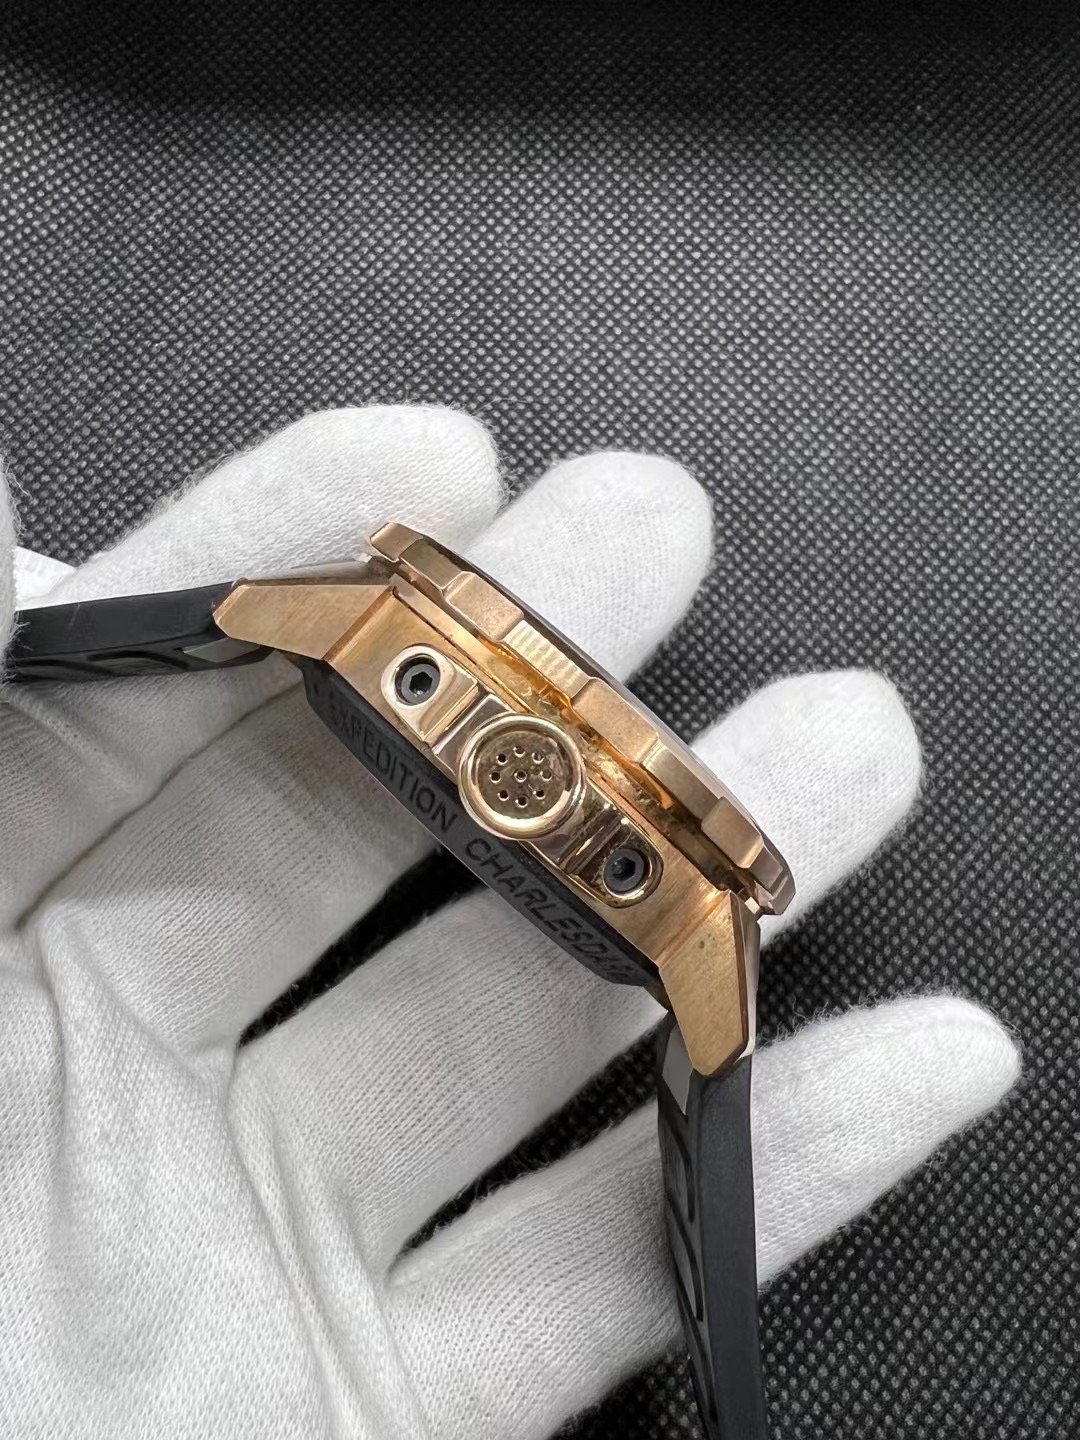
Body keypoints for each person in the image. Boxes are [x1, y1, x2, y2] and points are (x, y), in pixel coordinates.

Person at [0, 406, 1018, 1437]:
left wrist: (40, 652)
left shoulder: (360, 624)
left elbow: (239, 620)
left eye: (615, 855)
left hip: (394, 620)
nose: (518, 782)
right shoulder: (694, 931)